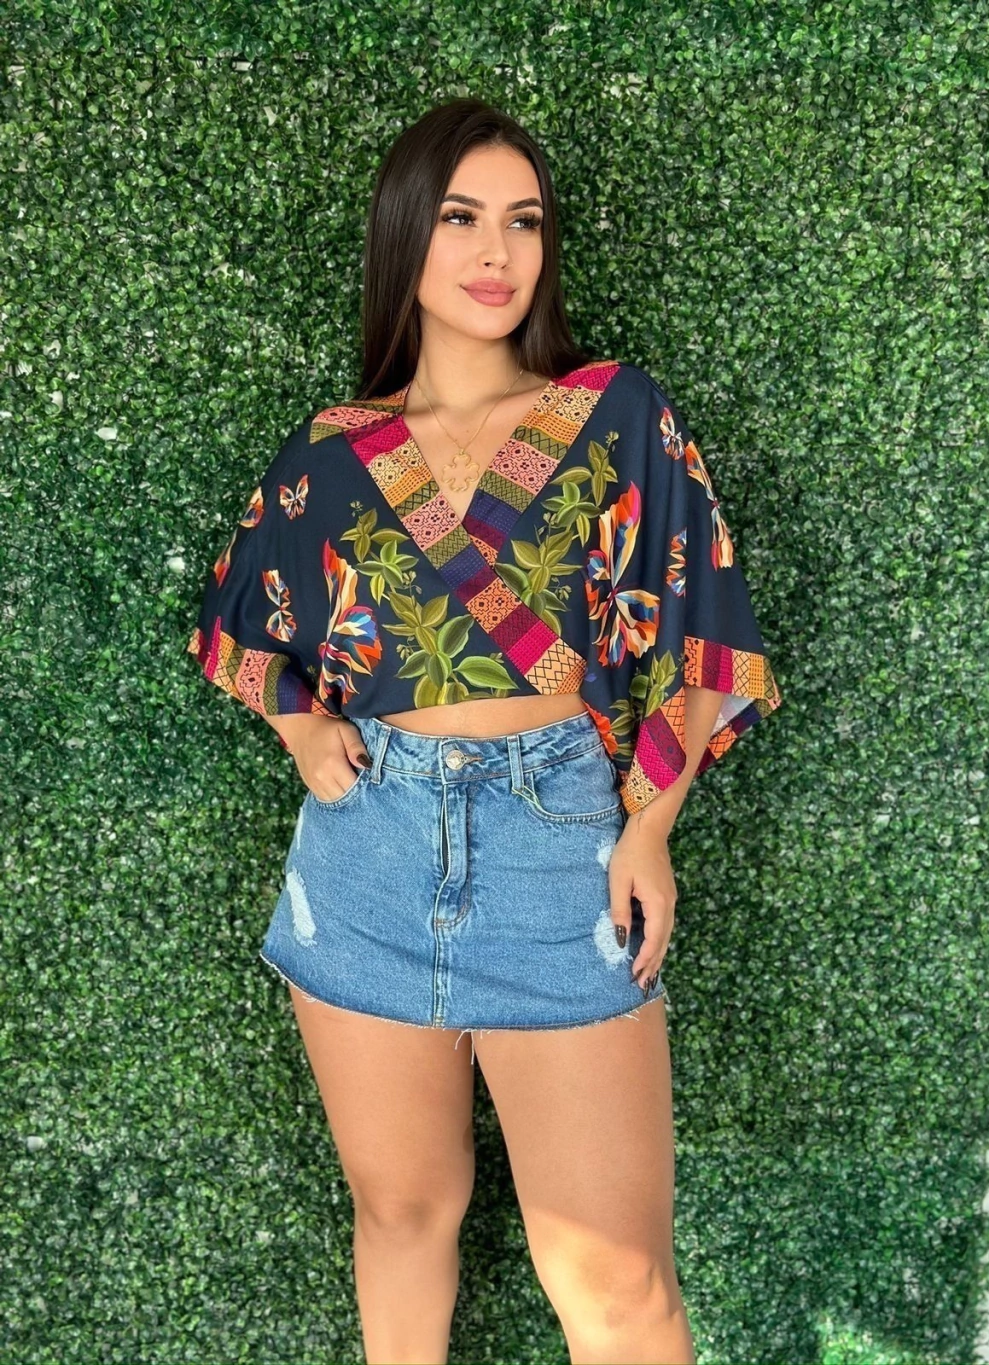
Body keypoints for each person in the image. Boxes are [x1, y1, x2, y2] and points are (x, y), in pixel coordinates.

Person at [187, 97, 782, 1365]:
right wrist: (301, 731)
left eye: (524, 221)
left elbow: (703, 630)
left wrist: (650, 825)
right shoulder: (332, 452)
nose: (497, 251)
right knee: (402, 1215)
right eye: (460, 217)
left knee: (617, 1281)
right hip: (367, 853)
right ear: (406, 233)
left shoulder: (616, 412)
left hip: (558, 843)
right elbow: (236, 627)